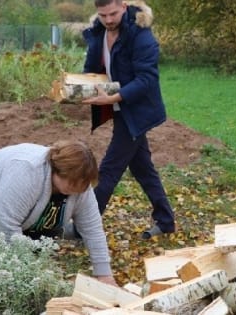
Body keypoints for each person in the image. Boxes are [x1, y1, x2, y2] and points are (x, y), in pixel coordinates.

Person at [0, 140, 117, 286]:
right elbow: (5, 223)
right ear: (58, 171)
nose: (78, 188)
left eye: (82, 184)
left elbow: (93, 229)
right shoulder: (27, 172)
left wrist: (104, 274)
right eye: (73, 183)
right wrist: (31, 271)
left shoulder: (80, 183)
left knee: (26, 252)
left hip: (15, 195)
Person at [81, 0, 175, 239]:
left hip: (137, 111)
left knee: (109, 169)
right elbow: (92, 70)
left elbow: (147, 79)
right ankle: (165, 221)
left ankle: (85, 228)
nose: (109, 20)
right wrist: (76, 89)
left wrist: (115, 97)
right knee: (143, 168)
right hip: (119, 108)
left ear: (124, 5)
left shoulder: (141, 35)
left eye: (113, 13)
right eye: (103, 15)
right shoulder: (98, 32)